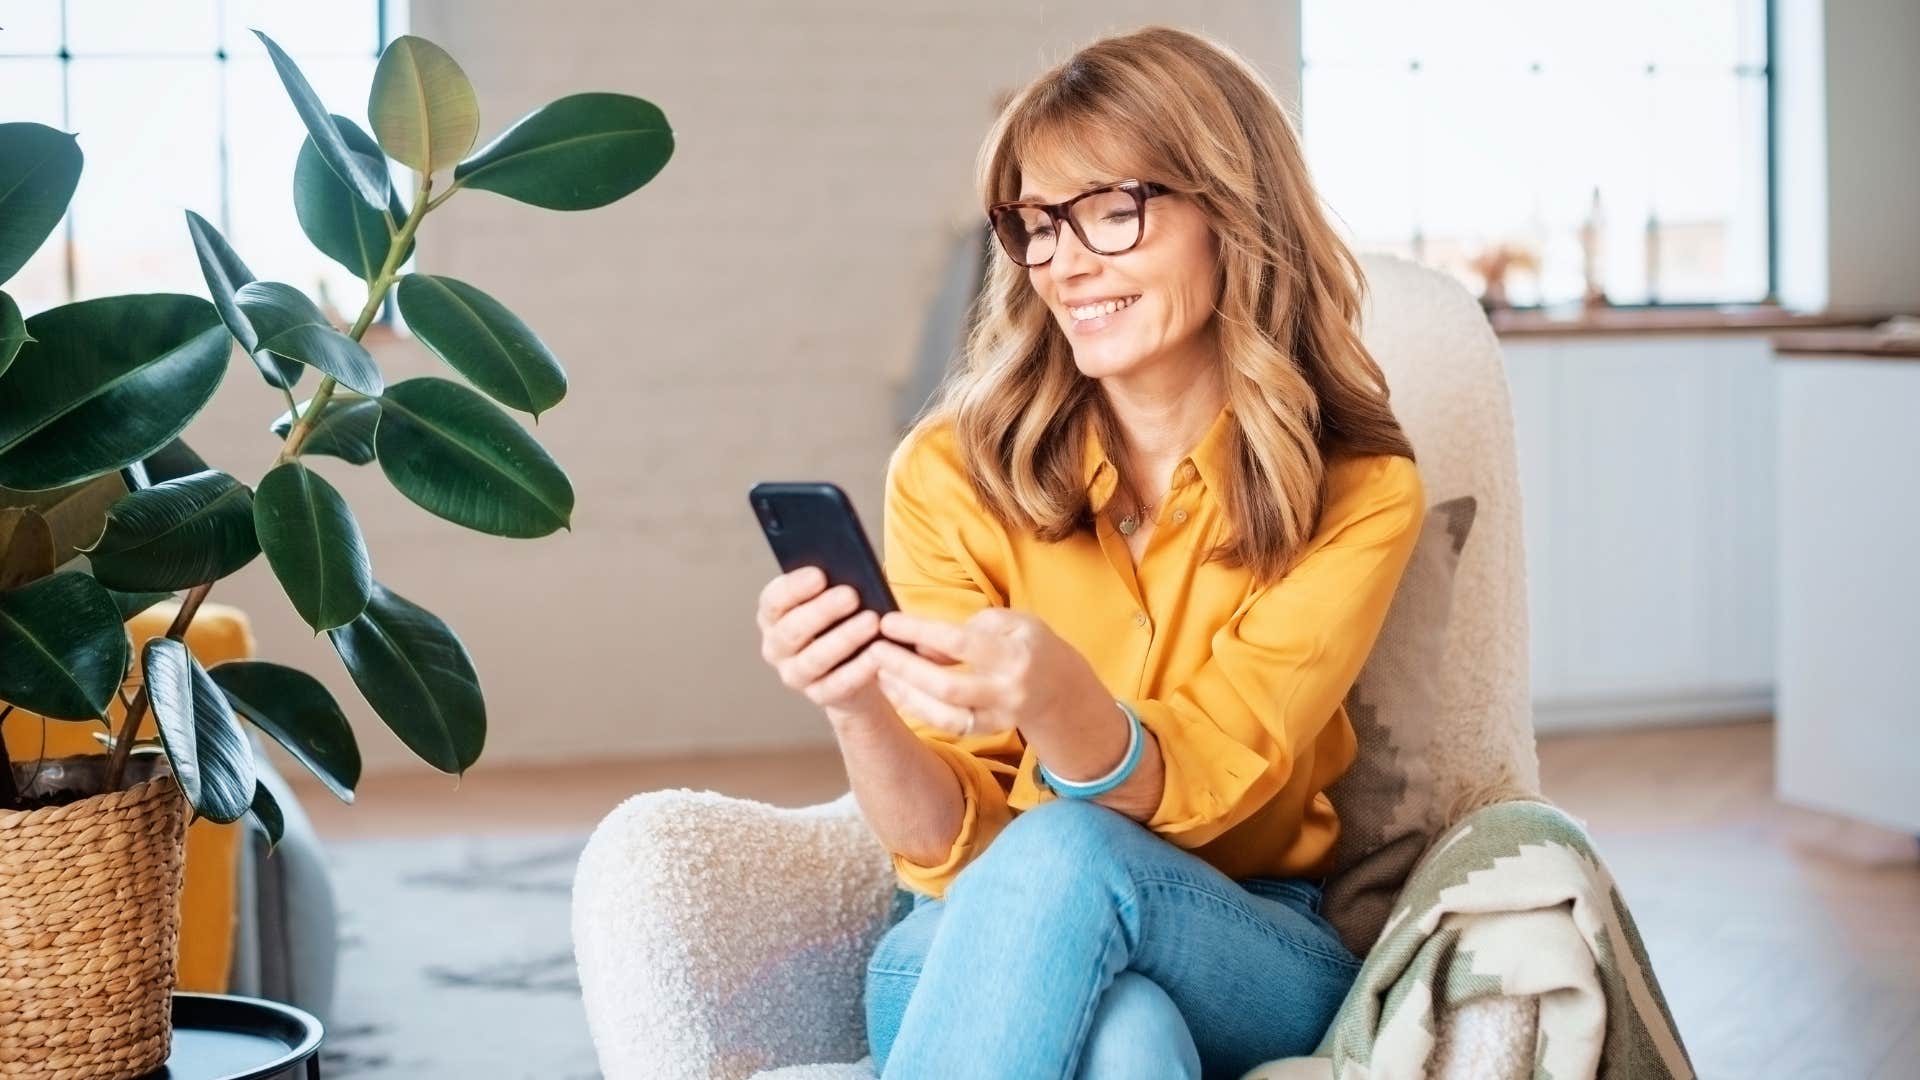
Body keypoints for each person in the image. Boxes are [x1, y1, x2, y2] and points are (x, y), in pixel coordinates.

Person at [753, 24, 1425, 1080]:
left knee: (1069, 849)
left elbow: (1216, 769)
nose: (1065, 263)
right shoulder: (949, 472)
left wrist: (1060, 698)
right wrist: (856, 704)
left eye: (1113, 211)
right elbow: (951, 853)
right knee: (1127, 1037)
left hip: (1246, 938)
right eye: (1036, 225)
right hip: (961, 932)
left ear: (1234, 216)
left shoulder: (1359, 492)